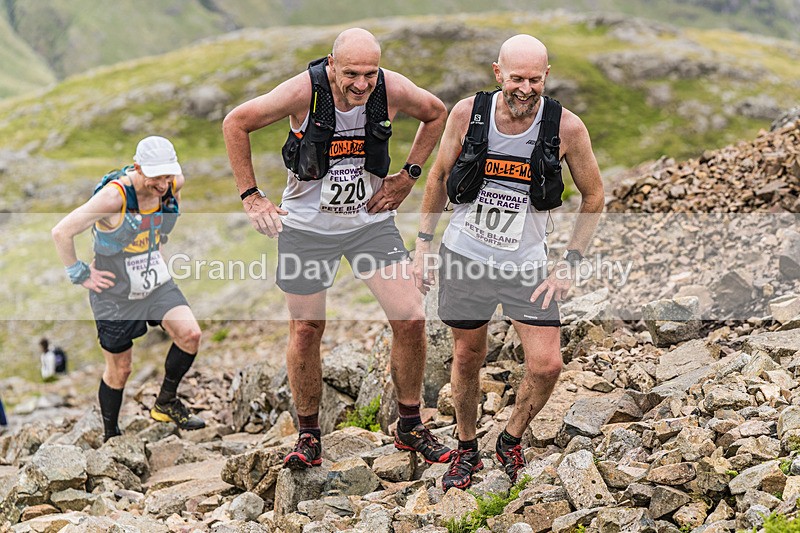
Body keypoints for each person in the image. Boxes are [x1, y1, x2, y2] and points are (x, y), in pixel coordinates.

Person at [223, 28, 452, 469]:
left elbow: (436, 113)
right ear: (332, 63)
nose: (362, 84)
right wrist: (251, 196)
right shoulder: (303, 91)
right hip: (307, 229)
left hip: (369, 222)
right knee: (307, 328)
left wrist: (408, 175)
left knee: (410, 316)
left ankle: (409, 425)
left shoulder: (391, 87)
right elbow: (236, 122)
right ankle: (308, 435)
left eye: (369, 73)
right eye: (351, 73)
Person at [413, 34, 605, 490]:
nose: (525, 88)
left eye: (534, 79)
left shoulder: (567, 128)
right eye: (516, 78)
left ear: (547, 76)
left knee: (546, 365)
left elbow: (594, 196)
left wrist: (569, 263)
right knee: (467, 356)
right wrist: (423, 244)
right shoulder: (467, 113)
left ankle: (511, 438)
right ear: (497, 73)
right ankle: (466, 448)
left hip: (526, 266)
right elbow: (439, 176)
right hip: (465, 256)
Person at [51, 136, 205, 441]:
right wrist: (80, 273)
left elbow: (160, 218)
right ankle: (112, 435)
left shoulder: (174, 184)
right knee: (121, 369)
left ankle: (166, 402)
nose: (163, 184)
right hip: (114, 291)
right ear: (137, 168)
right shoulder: (113, 197)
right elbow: (61, 231)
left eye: (167, 175)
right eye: (155, 176)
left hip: (153, 279)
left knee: (191, 335)